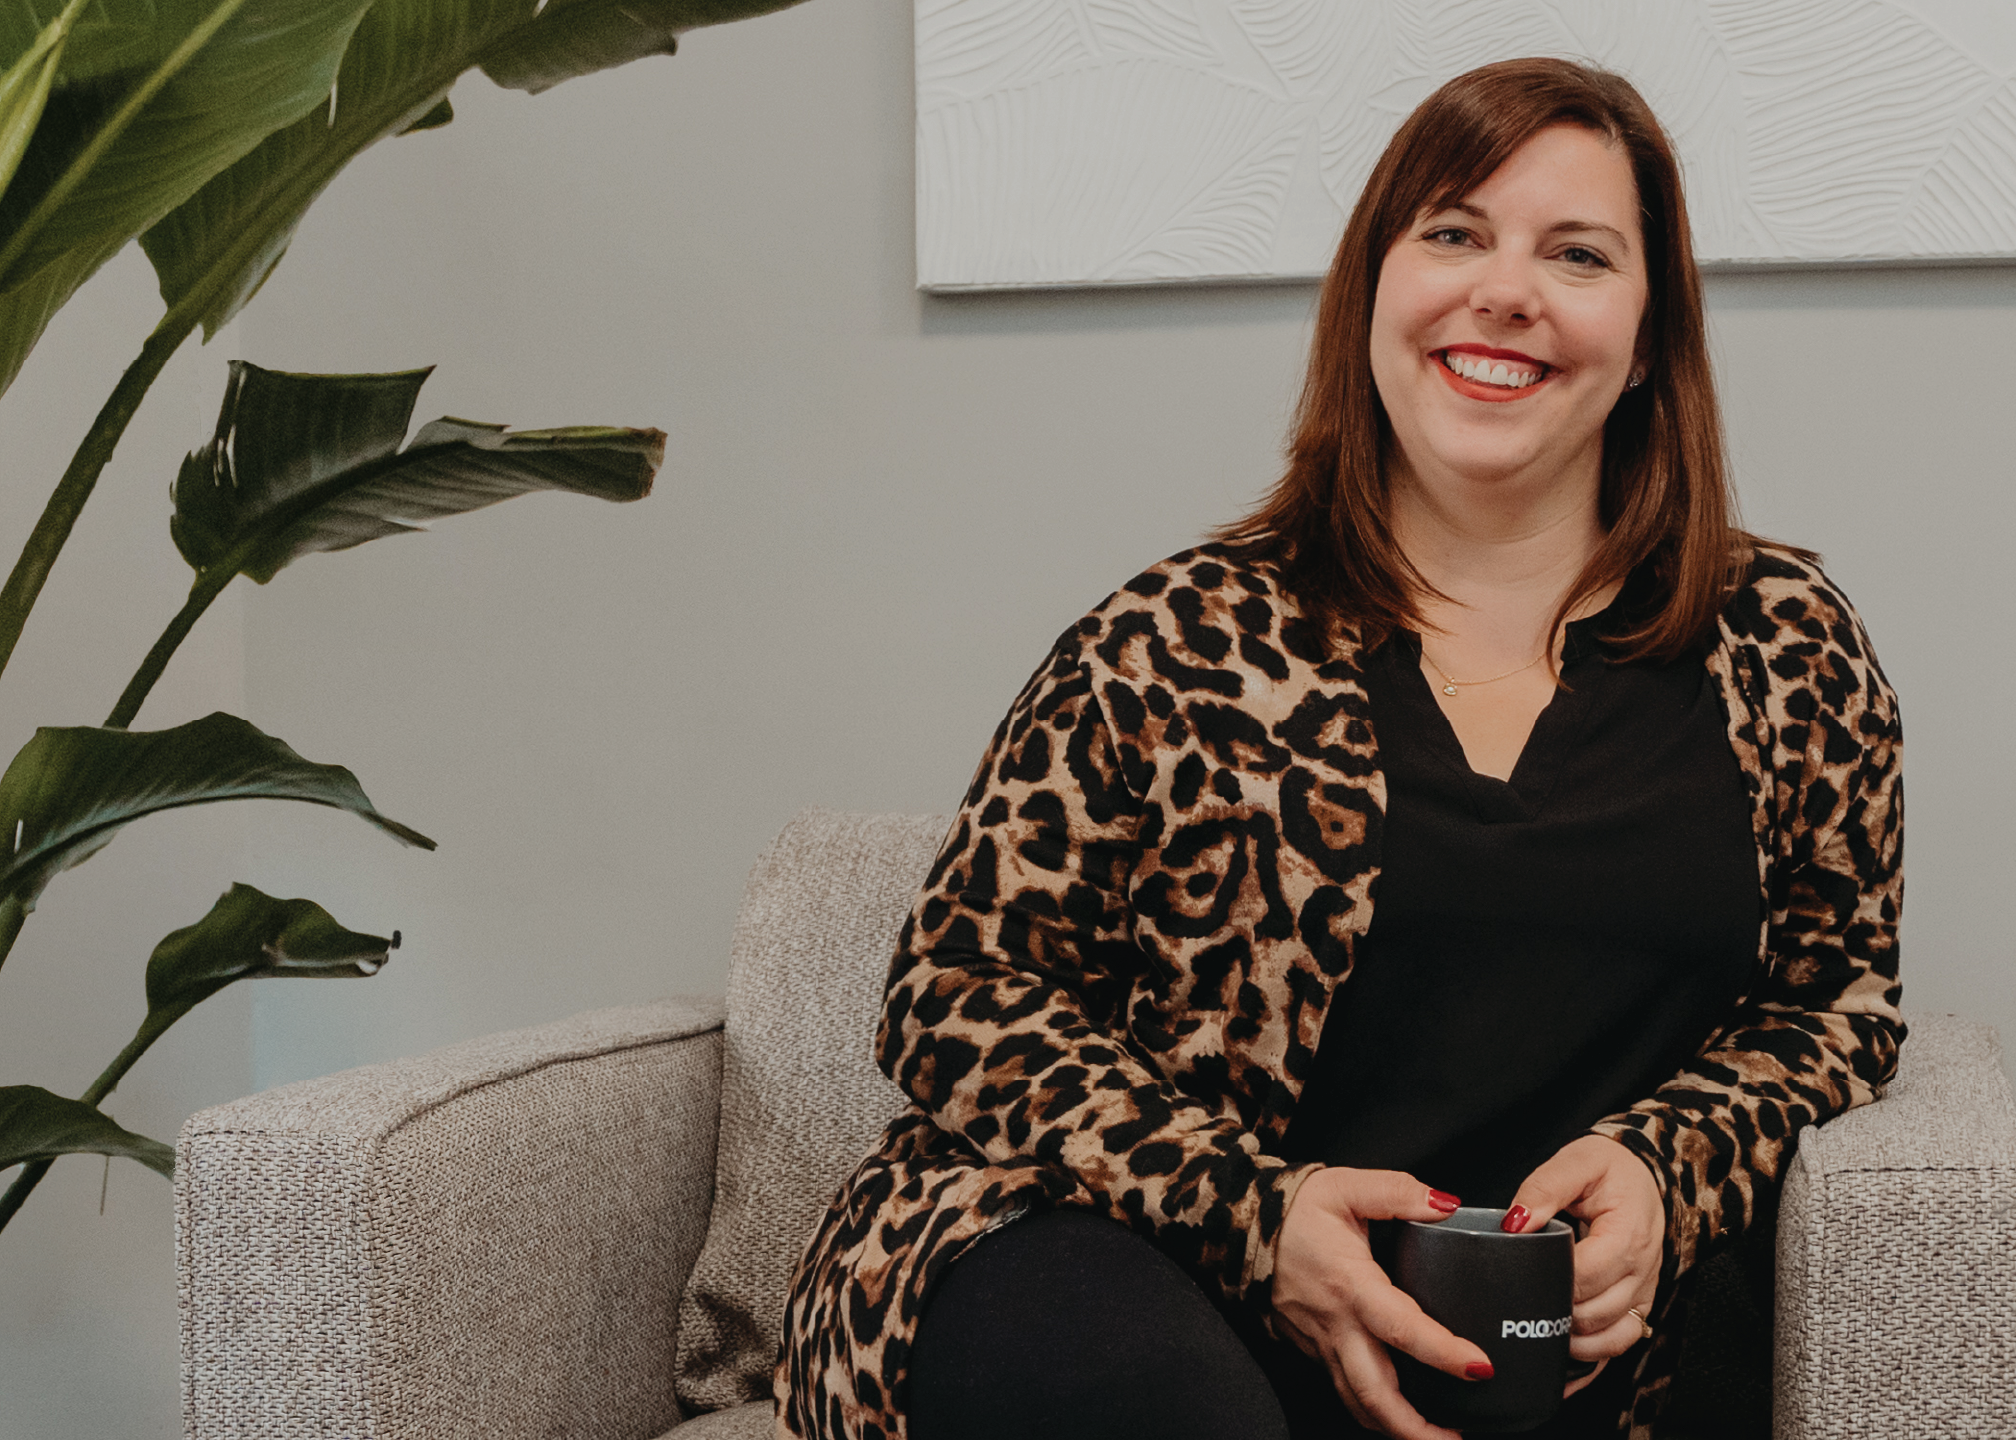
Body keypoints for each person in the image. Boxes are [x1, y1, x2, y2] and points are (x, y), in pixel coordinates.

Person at [776, 56, 1903, 1440]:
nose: (1505, 289)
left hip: (1526, 1344)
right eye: (1452, 232)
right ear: (1373, 289)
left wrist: (1674, 1168)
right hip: (1126, 1268)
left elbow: (1834, 1007)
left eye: (1578, 253)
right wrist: (1257, 1217)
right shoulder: (1176, 635)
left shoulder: (1784, 644)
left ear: (1651, 330)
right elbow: (955, 990)